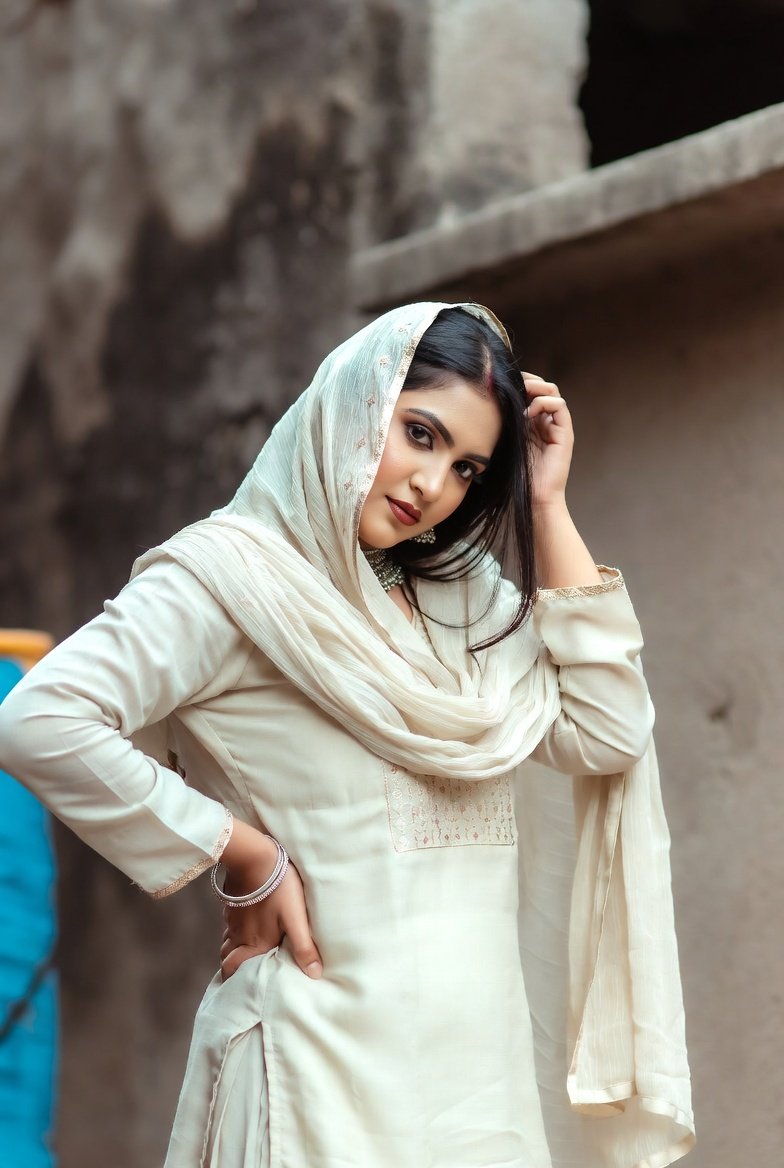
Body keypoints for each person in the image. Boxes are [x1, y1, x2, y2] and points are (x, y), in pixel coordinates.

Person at [0, 302, 694, 1168]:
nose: (432, 484)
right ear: (356, 402)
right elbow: (39, 717)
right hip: (313, 1077)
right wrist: (238, 849)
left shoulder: (461, 599)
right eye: (419, 433)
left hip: (477, 1096)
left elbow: (608, 731)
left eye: (470, 468)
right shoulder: (233, 579)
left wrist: (546, 504)